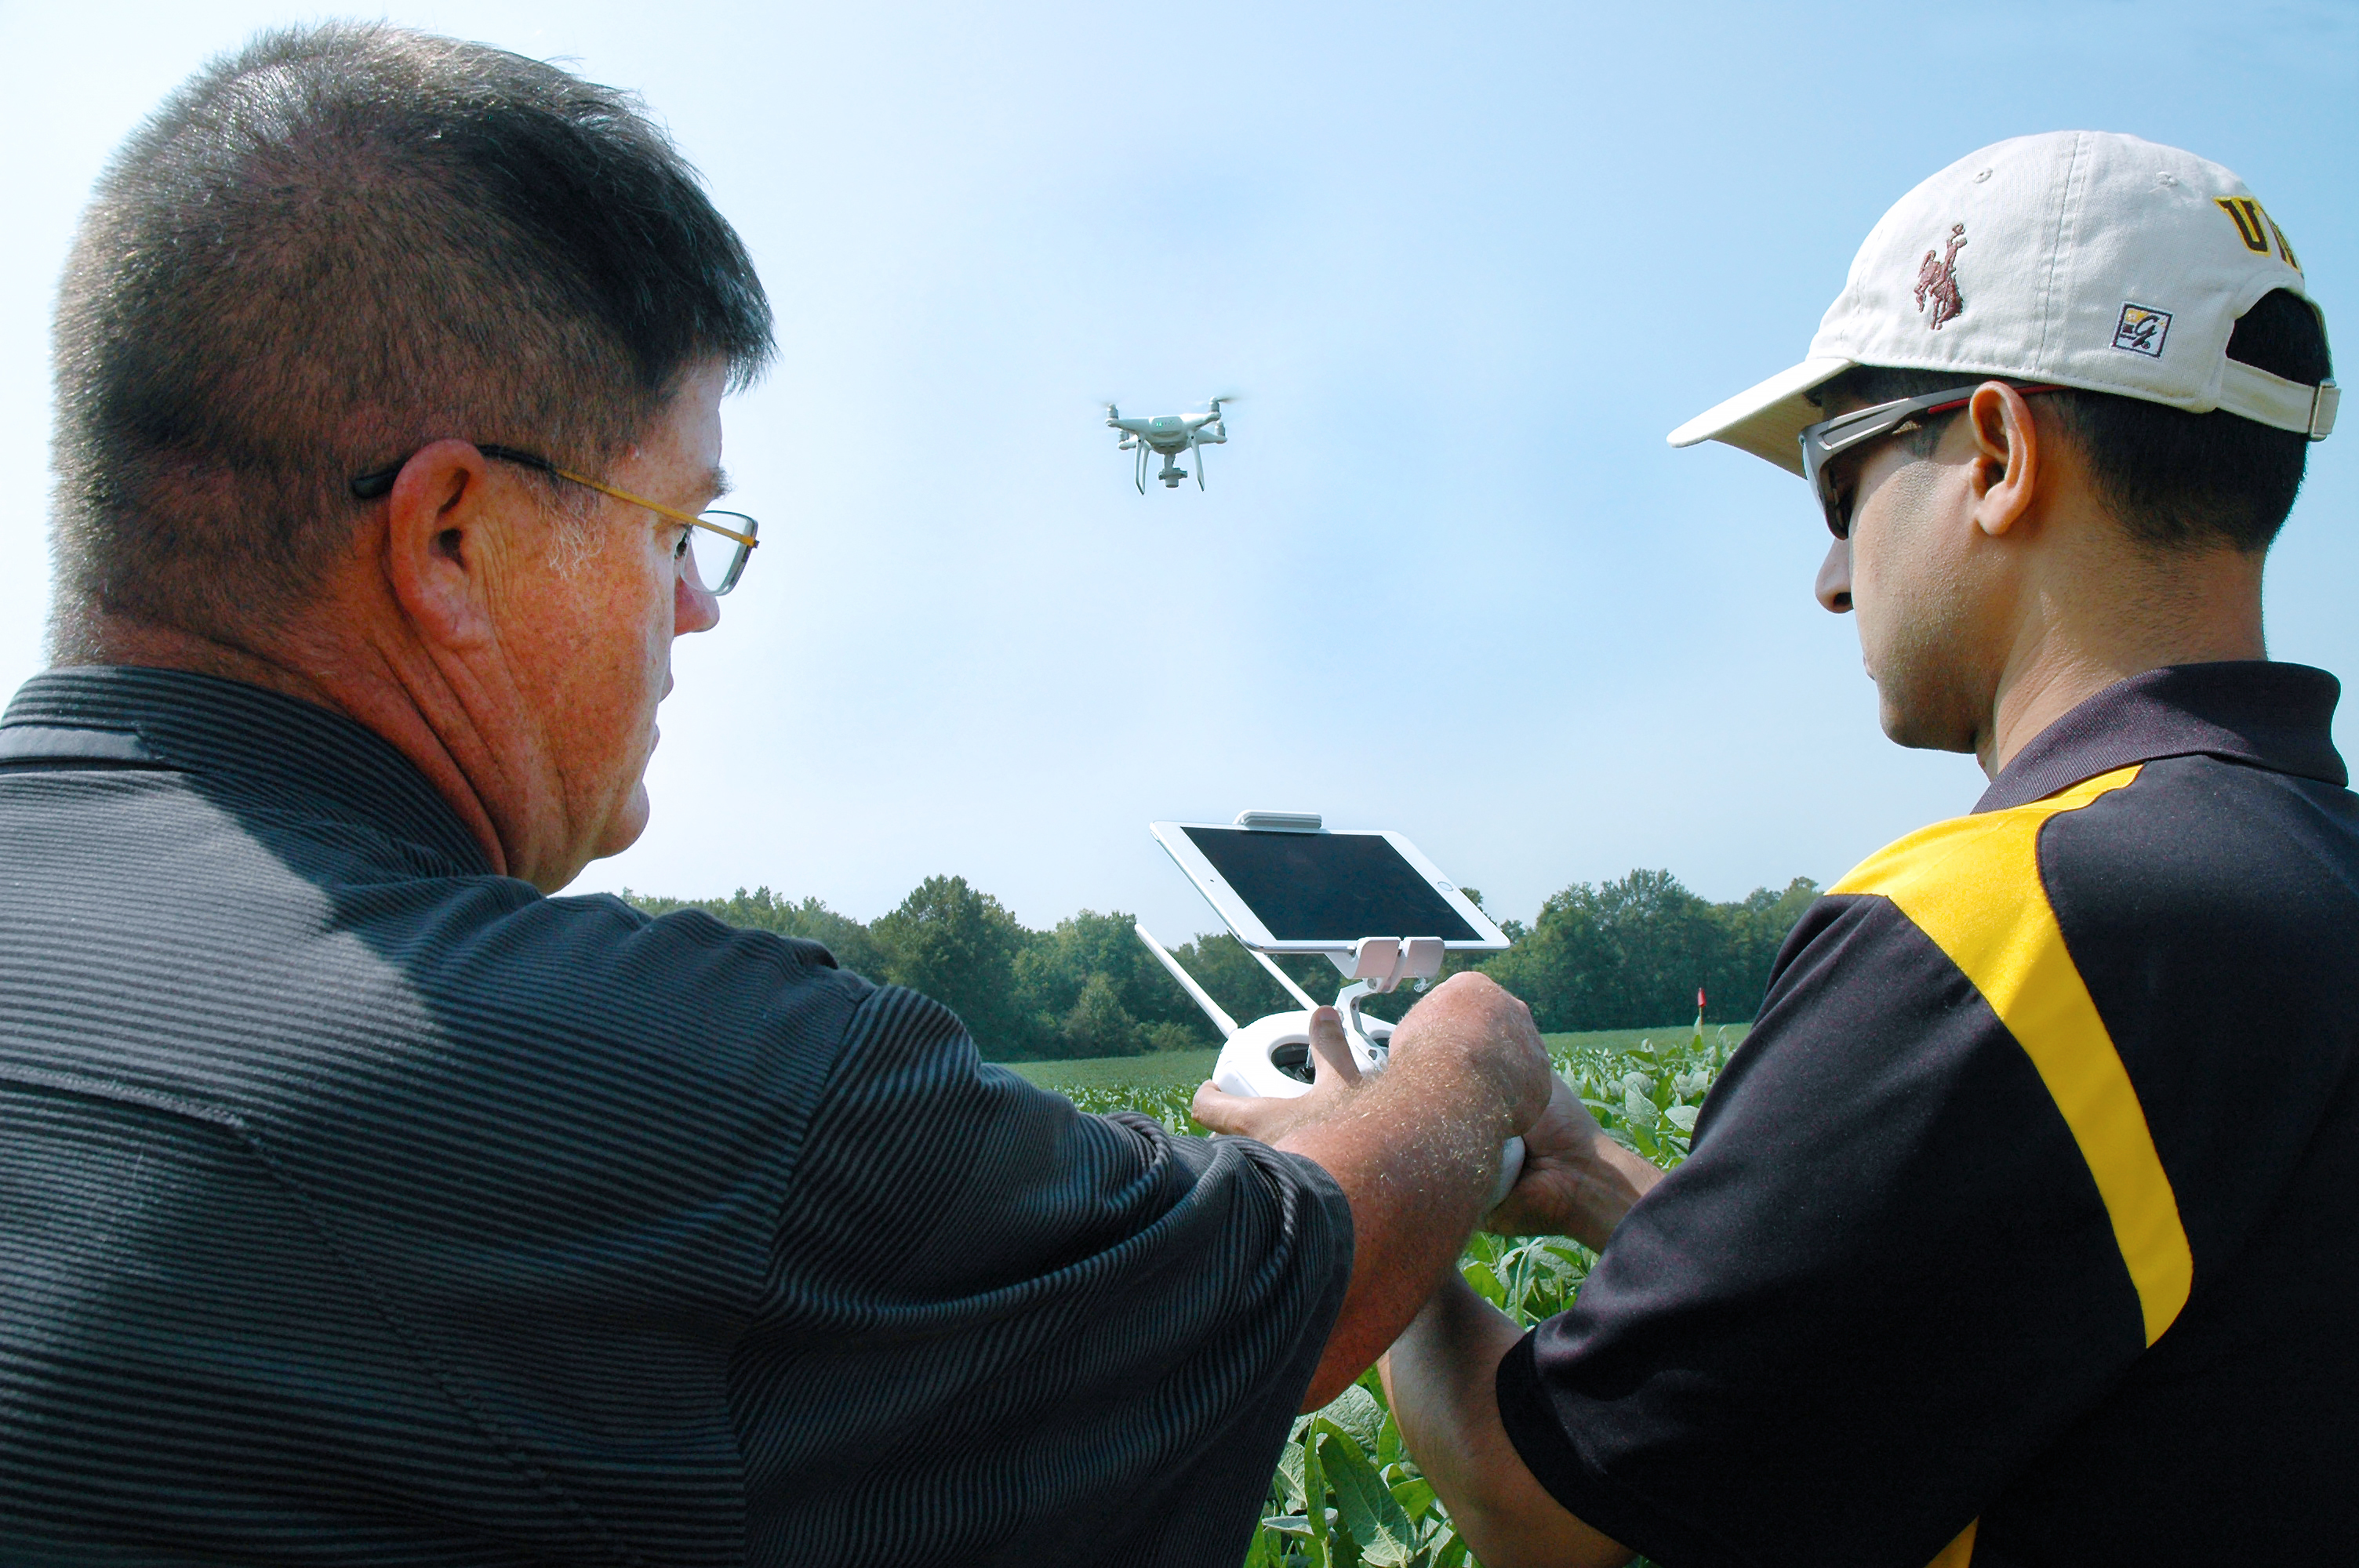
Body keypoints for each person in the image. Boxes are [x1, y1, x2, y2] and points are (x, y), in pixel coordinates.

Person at [0, 24, 1554, 1565]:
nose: (698, 607)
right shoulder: (659, 1087)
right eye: (676, 525)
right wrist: (1470, 1050)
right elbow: (1283, 1273)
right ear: (452, 539)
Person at [1362, 131, 2353, 1567]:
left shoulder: (2012, 928)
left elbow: (1555, 1506)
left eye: (1839, 485)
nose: (1831, 577)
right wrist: (1584, 1176)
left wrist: (1395, 1172)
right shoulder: (2300, 881)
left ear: (2002, 456)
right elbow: (1947, 1315)